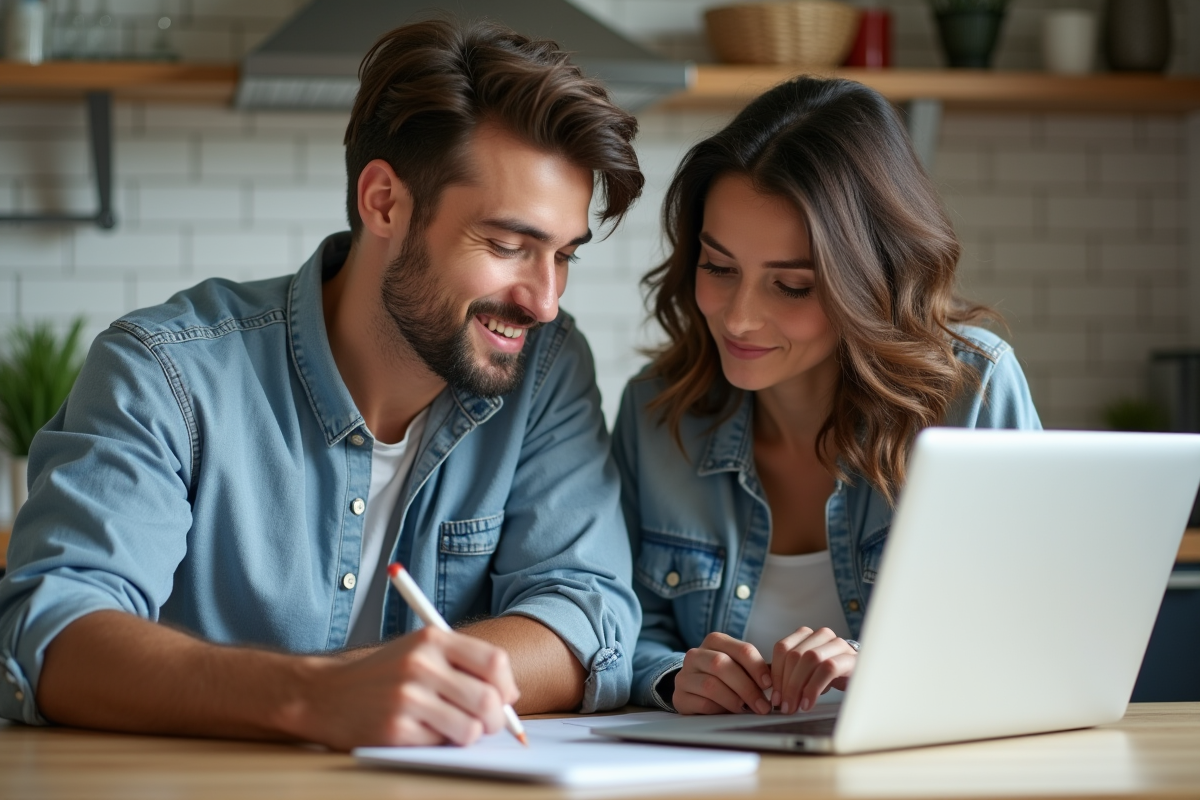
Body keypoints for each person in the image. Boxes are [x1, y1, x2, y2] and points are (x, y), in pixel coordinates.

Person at [0, 18, 644, 750]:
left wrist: (376, 686)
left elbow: (586, 613)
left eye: (564, 256)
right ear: (384, 204)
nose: (544, 299)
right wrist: (313, 697)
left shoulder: (544, 367)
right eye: (507, 246)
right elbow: (51, 631)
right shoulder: (165, 371)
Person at [613, 77, 1041, 718]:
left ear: (874, 281)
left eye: (790, 286)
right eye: (719, 268)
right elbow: (619, 628)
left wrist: (884, 666)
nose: (739, 320)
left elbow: (1033, 638)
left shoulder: (973, 394)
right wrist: (674, 678)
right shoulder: (657, 412)